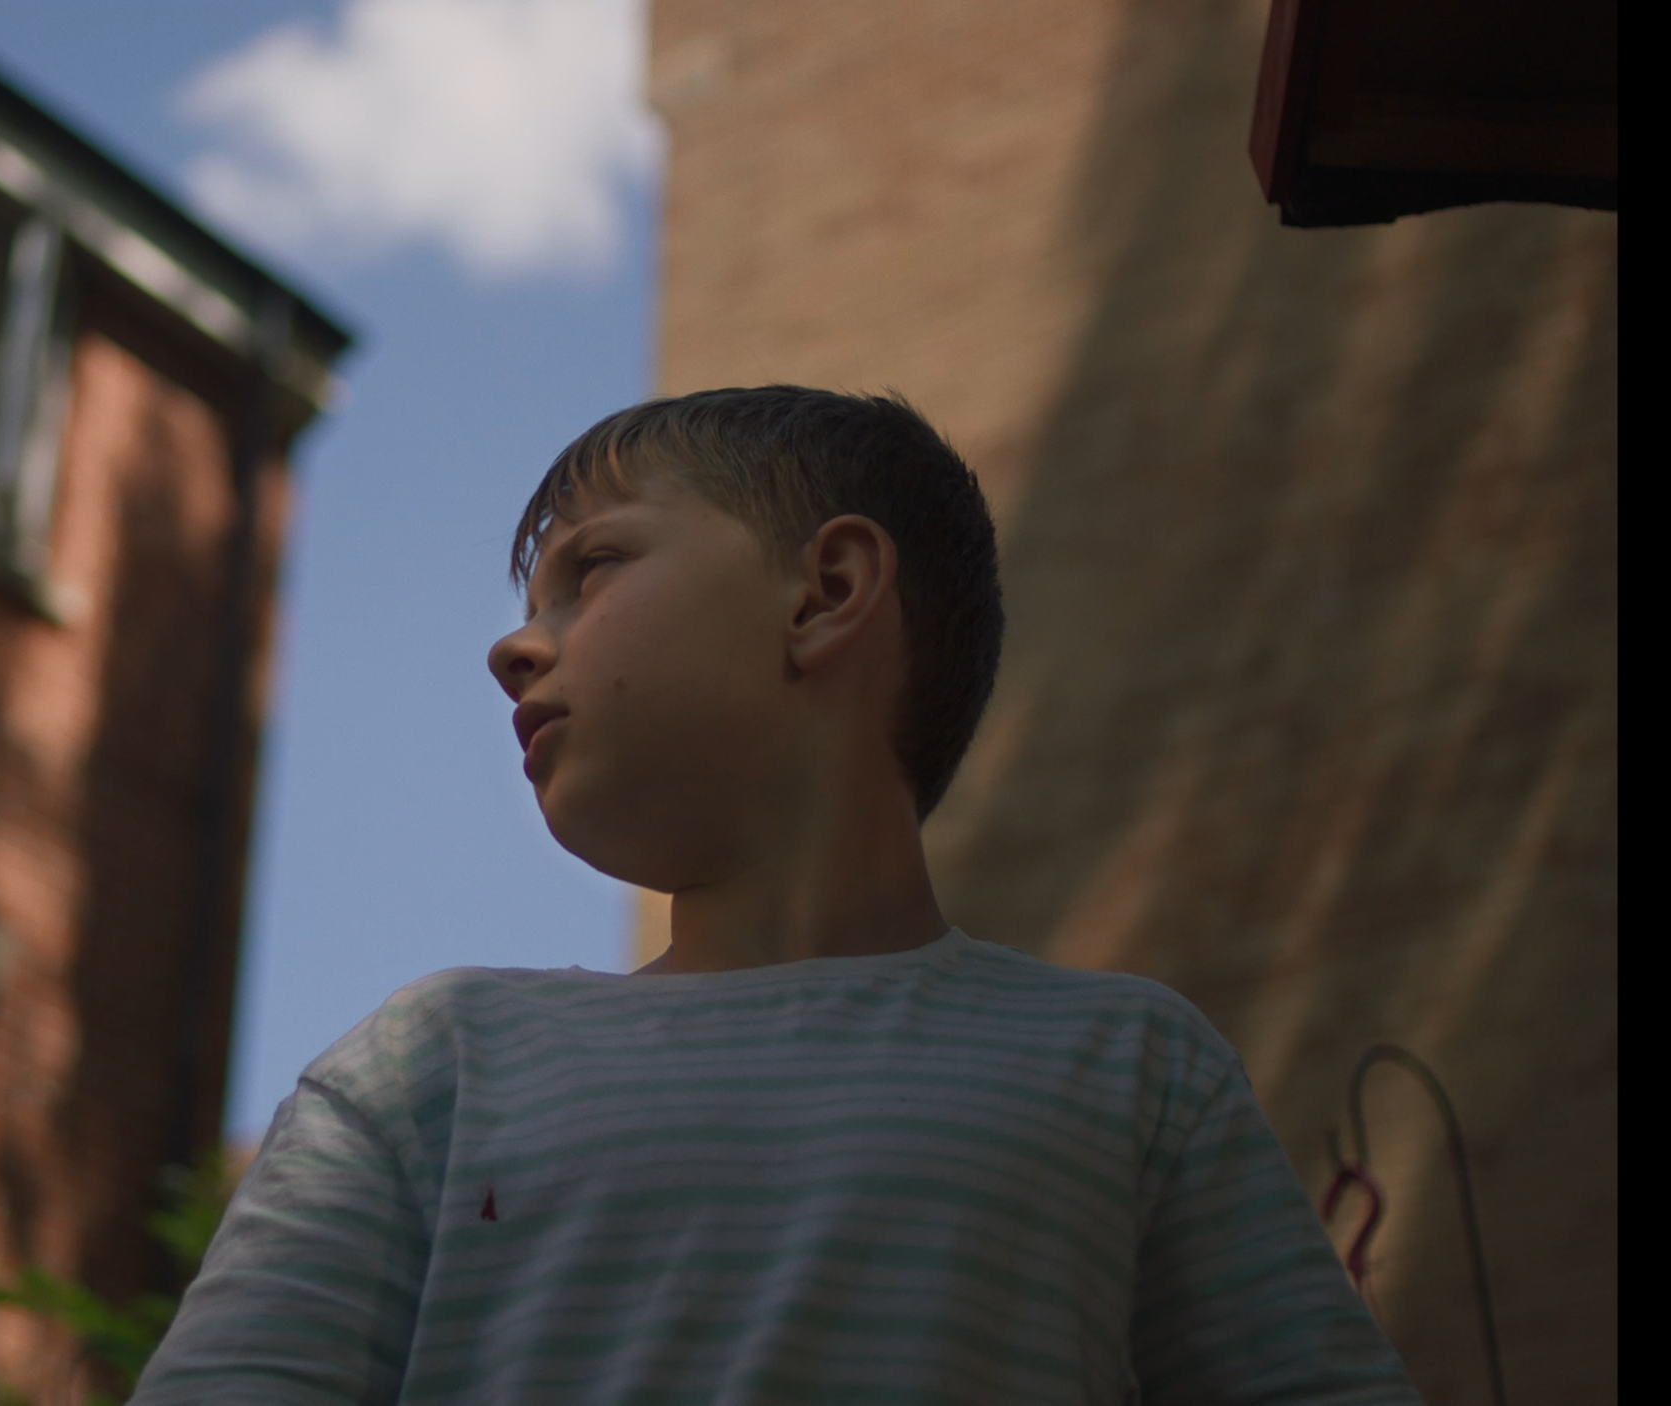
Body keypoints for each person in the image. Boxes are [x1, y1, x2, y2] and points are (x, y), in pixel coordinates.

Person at [130, 387, 1417, 1404]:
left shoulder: (1130, 1069)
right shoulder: (432, 1066)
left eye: (592, 571)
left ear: (827, 591)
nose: (515, 646)